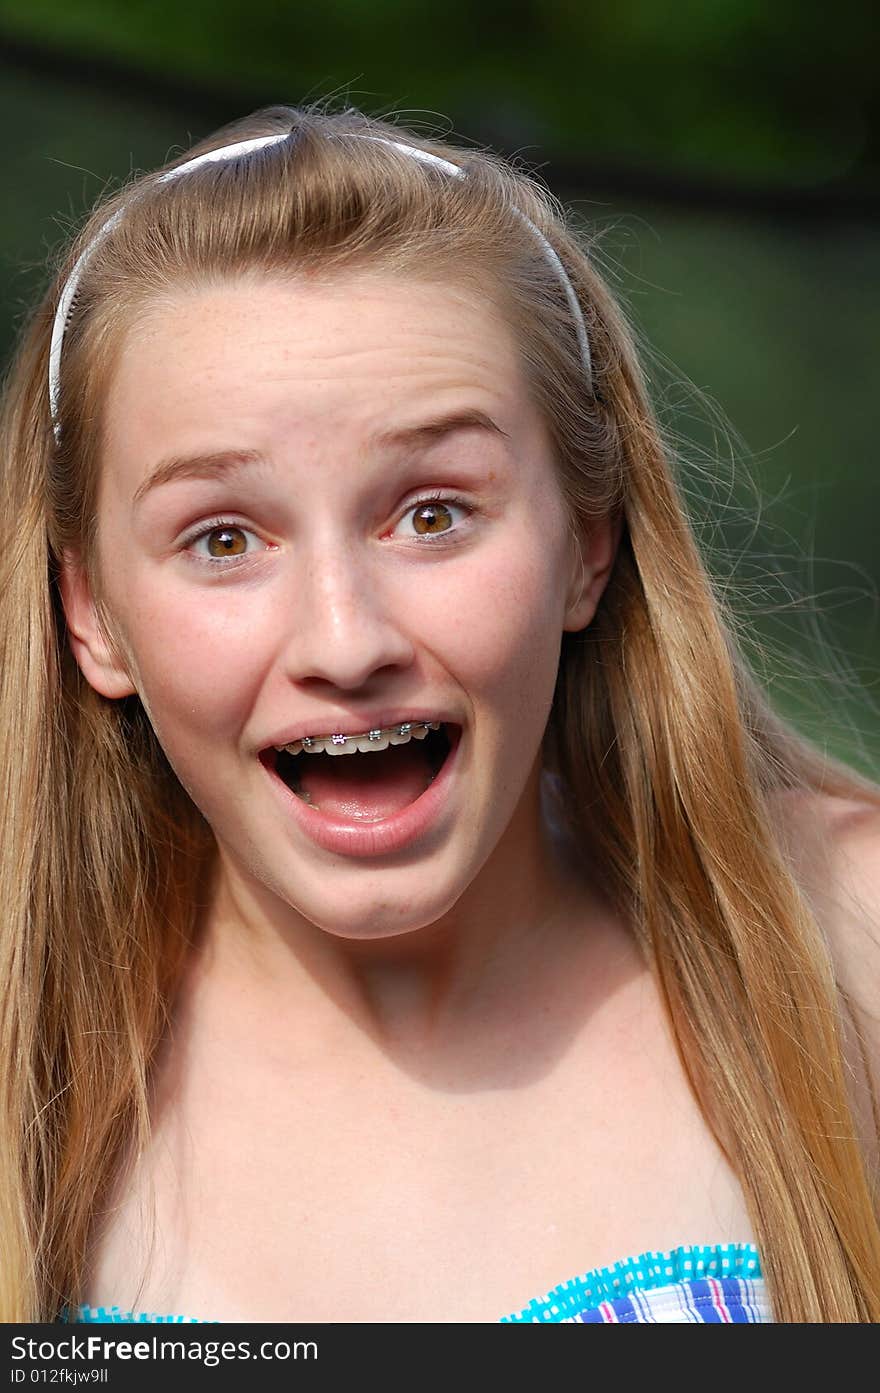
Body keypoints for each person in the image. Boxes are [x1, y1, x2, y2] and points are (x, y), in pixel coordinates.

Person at [1, 103, 878, 1327]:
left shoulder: (842, 945)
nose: (346, 641)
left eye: (432, 514)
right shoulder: (23, 1090)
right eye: (223, 537)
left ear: (586, 541)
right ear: (91, 616)